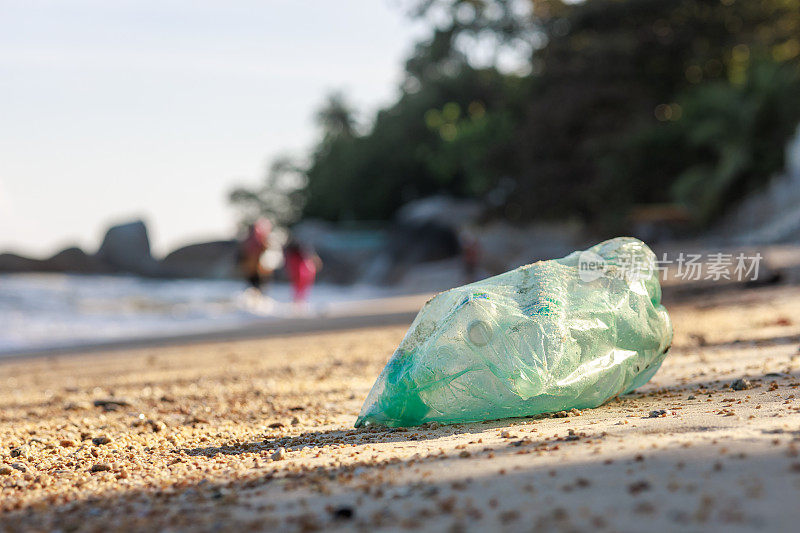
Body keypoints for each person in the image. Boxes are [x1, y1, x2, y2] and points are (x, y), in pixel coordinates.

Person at [237, 218, 273, 292]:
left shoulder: (249, 240)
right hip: (256, 268)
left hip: (255, 268)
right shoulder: (257, 240)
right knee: (256, 285)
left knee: (255, 285)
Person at [283, 238, 322, 304]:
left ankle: (299, 299)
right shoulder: (298, 259)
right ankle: (298, 299)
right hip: (301, 273)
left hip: (302, 273)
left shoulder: (303, 259)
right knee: (299, 284)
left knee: (300, 285)